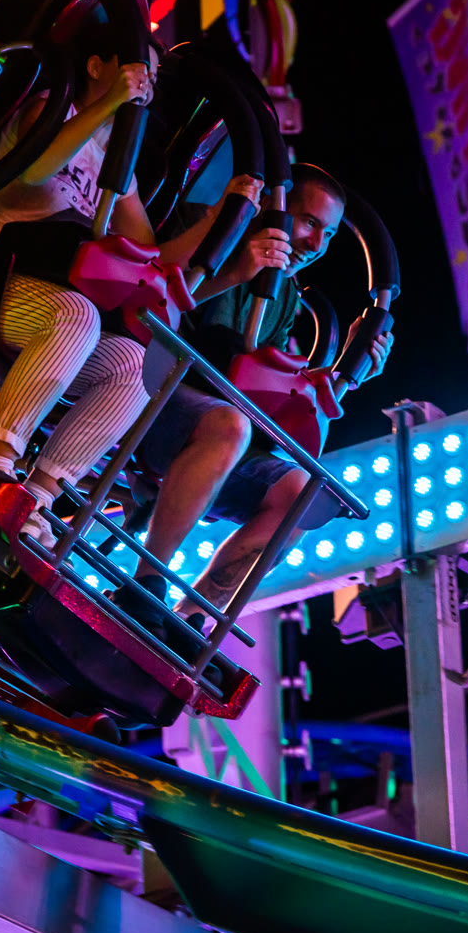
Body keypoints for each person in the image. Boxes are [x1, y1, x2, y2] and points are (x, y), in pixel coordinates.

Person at [0, 20, 281, 529]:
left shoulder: (115, 164)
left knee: (133, 364)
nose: (146, 85)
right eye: (139, 71)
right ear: (97, 66)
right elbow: (35, 170)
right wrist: (110, 104)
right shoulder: (50, 110)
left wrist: (220, 214)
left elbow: (150, 259)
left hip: (39, 298)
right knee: (77, 315)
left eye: (151, 78)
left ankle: (35, 500)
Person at [129, 163, 393, 616]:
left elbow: (264, 400)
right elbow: (145, 303)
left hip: (215, 432)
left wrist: (344, 378)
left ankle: (192, 618)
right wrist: (236, 271)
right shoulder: (204, 224)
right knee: (229, 425)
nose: (316, 244)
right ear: (273, 205)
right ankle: (147, 584)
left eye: (328, 234)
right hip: (143, 392)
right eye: (309, 222)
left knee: (304, 495)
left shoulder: (284, 297)